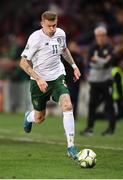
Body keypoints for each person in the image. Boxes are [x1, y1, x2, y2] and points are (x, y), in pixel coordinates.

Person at [19, 11, 81, 160]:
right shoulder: (35, 38)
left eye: (54, 25)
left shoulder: (60, 34)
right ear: (42, 24)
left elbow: (64, 50)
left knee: (67, 105)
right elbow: (23, 63)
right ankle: (29, 117)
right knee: (40, 118)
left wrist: (74, 66)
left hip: (57, 77)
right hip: (38, 81)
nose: (52, 29)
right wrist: (38, 78)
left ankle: (71, 146)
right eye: (49, 26)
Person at [80, 26, 116, 136]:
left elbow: (107, 65)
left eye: (102, 35)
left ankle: (111, 129)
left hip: (106, 81)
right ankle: (89, 128)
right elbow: (89, 62)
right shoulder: (93, 48)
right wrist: (102, 61)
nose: (100, 38)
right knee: (92, 105)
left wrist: (97, 61)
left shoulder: (109, 48)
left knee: (109, 105)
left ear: (105, 36)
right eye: (98, 36)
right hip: (95, 82)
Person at [62, 40, 85, 120]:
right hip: (68, 81)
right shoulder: (65, 57)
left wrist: (82, 78)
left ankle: (74, 117)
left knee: (75, 99)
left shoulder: (79, 57)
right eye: (72, 46)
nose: (74, 48)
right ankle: (66, 115)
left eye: (75, 46)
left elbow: (82, 68)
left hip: (76, 82)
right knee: (68, 99)